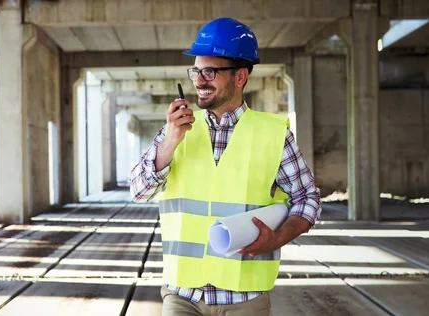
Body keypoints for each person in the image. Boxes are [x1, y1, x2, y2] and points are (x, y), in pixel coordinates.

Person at [129, 17, 322, 315]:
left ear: (240, 76)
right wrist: (169, 143)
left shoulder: (273, 134)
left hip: (244, 298)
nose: (199, 80)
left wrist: (278, 237)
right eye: (196, 70)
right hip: (183, 295)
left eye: (210, 71)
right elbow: (138, 192)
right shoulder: (176, 130)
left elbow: (307, 199)